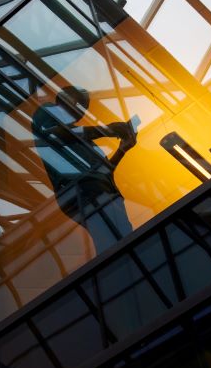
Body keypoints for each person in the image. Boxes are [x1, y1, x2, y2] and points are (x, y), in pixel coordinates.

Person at [31, 86, 137, 254]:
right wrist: (106, 130)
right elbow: (55, 133)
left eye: (83, 108)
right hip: (82, 189)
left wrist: (122, 150)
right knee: (116, 242)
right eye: (79, 105)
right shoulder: (48, 112)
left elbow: (103, 171)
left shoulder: (83, 139)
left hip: (99, 190)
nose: (81, 112)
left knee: (121, 238)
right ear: (64, 99)